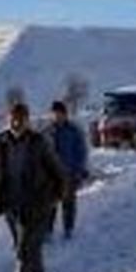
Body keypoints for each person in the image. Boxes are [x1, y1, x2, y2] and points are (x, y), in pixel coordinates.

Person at [0, 103, 66, 272]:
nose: (16, 123)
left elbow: (57, 171)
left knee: (24, 248)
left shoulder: (39, 142)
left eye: (20, 119)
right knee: (30, 248)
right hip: (11, 205)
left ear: (27, 120)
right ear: (8, 119)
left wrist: (55, 198)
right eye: (13, 118)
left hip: (36, 204)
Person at [45, 100, 89, 240]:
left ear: (65, 114)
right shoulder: (48, 131)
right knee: (50, 205)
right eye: (54, 114)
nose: (57, 116)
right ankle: (48, 231)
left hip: (69, 173)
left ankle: (68, 229)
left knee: (68, 203)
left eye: (59, 114)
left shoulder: (73, 131)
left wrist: (79, 170)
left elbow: (81, 152)